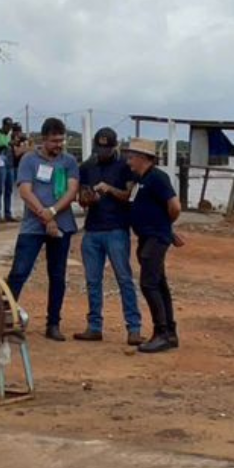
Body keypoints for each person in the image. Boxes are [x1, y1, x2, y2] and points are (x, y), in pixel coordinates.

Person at [6, 117, 80, 342]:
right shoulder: (29, 160)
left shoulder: (69, 161)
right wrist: (45, 216)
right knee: (19, 272)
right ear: (43, 139)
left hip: (62, 224)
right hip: (32, 226)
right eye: (54, 140)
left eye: (61, 140)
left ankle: (53, 323)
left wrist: (54, 213)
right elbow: (26, 192)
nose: (59, 145)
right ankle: (5, 320)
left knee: (57, 275)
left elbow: (72, 190)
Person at [74, 127, 143, 345]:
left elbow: (128, 195)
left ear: (114, 147)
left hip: (117, 228)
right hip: (93, 228)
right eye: (99, 148)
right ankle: (94, 326)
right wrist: (87, 198)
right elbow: (81, 197)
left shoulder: (125, 166)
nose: (101, 152)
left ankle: (133, 328)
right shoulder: (87, 166)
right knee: (93, 281)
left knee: (124, 279)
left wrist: (109, 189)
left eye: (105, 148)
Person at [124, 139, 180, 353]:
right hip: (148, 237)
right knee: (159, 283)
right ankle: (170, 332)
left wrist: (165, 227)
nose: (129, 161)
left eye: (132, 157)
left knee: (149, 283)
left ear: (142, 157)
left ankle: (162, 332)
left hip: (155, 238)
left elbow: (174, 206)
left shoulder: (157, 178)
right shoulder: (141, 179)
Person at [0, 116, 16, 222]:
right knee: (0, 188)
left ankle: (7, 213)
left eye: (10, 127)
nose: (9, 129)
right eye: (7, 126)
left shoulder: (10, 135)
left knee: (9, 188)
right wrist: (7, 144)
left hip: (9, 162)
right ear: (4, 125)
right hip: (0, 160)